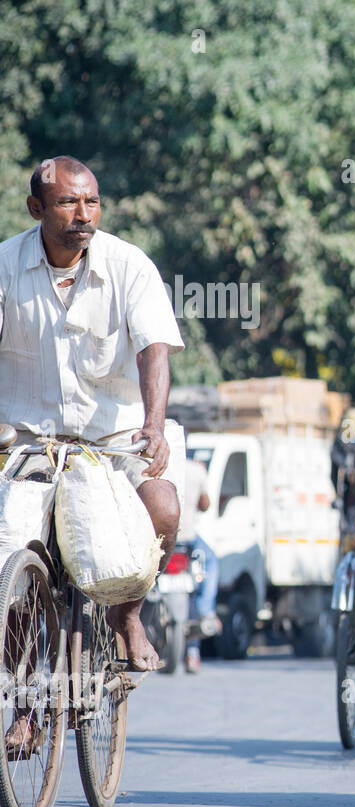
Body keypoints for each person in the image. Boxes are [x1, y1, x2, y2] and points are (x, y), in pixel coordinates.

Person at [0, 157, 184, 672]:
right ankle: (26, 697)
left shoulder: (129, 266)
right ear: (36, 208)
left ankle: (128, 616)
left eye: (92, 202)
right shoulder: (5, 267)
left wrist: (153, 424)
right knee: (14, 555)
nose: (84, 214)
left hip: (115, 440)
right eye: (67, 202)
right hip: (28, 443)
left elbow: (154, 349)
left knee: (163, 505)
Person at [176, 451, 220, 673]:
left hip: (161, 538)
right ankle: (206, 610)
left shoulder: (154, 463)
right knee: (210, 561)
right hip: (188, 537)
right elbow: (205, 505)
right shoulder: (196, 469)